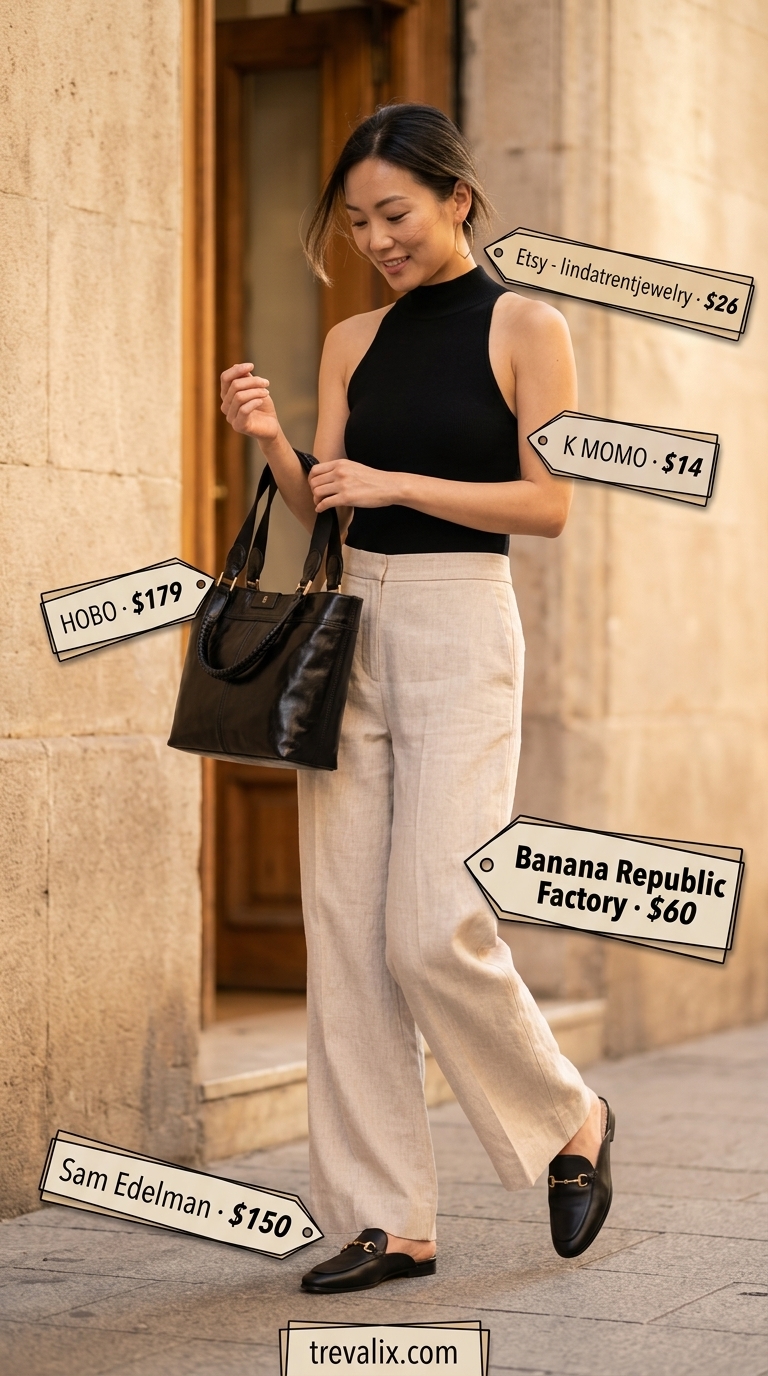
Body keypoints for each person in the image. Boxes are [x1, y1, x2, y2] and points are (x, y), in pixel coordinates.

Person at [220, 103, 614, 1293]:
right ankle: (388, 1218)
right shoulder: (349, 339)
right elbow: (329, 508)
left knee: (432, 924)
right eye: (356, 221)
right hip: (352, 621)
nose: (376, 239)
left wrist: (401, 476)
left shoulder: (527, 325)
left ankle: (571, 1117)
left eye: (394, 213)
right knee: (343, 932)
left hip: (457, 620)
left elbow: (551, 506)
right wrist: (277, 444)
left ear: (457, 198)